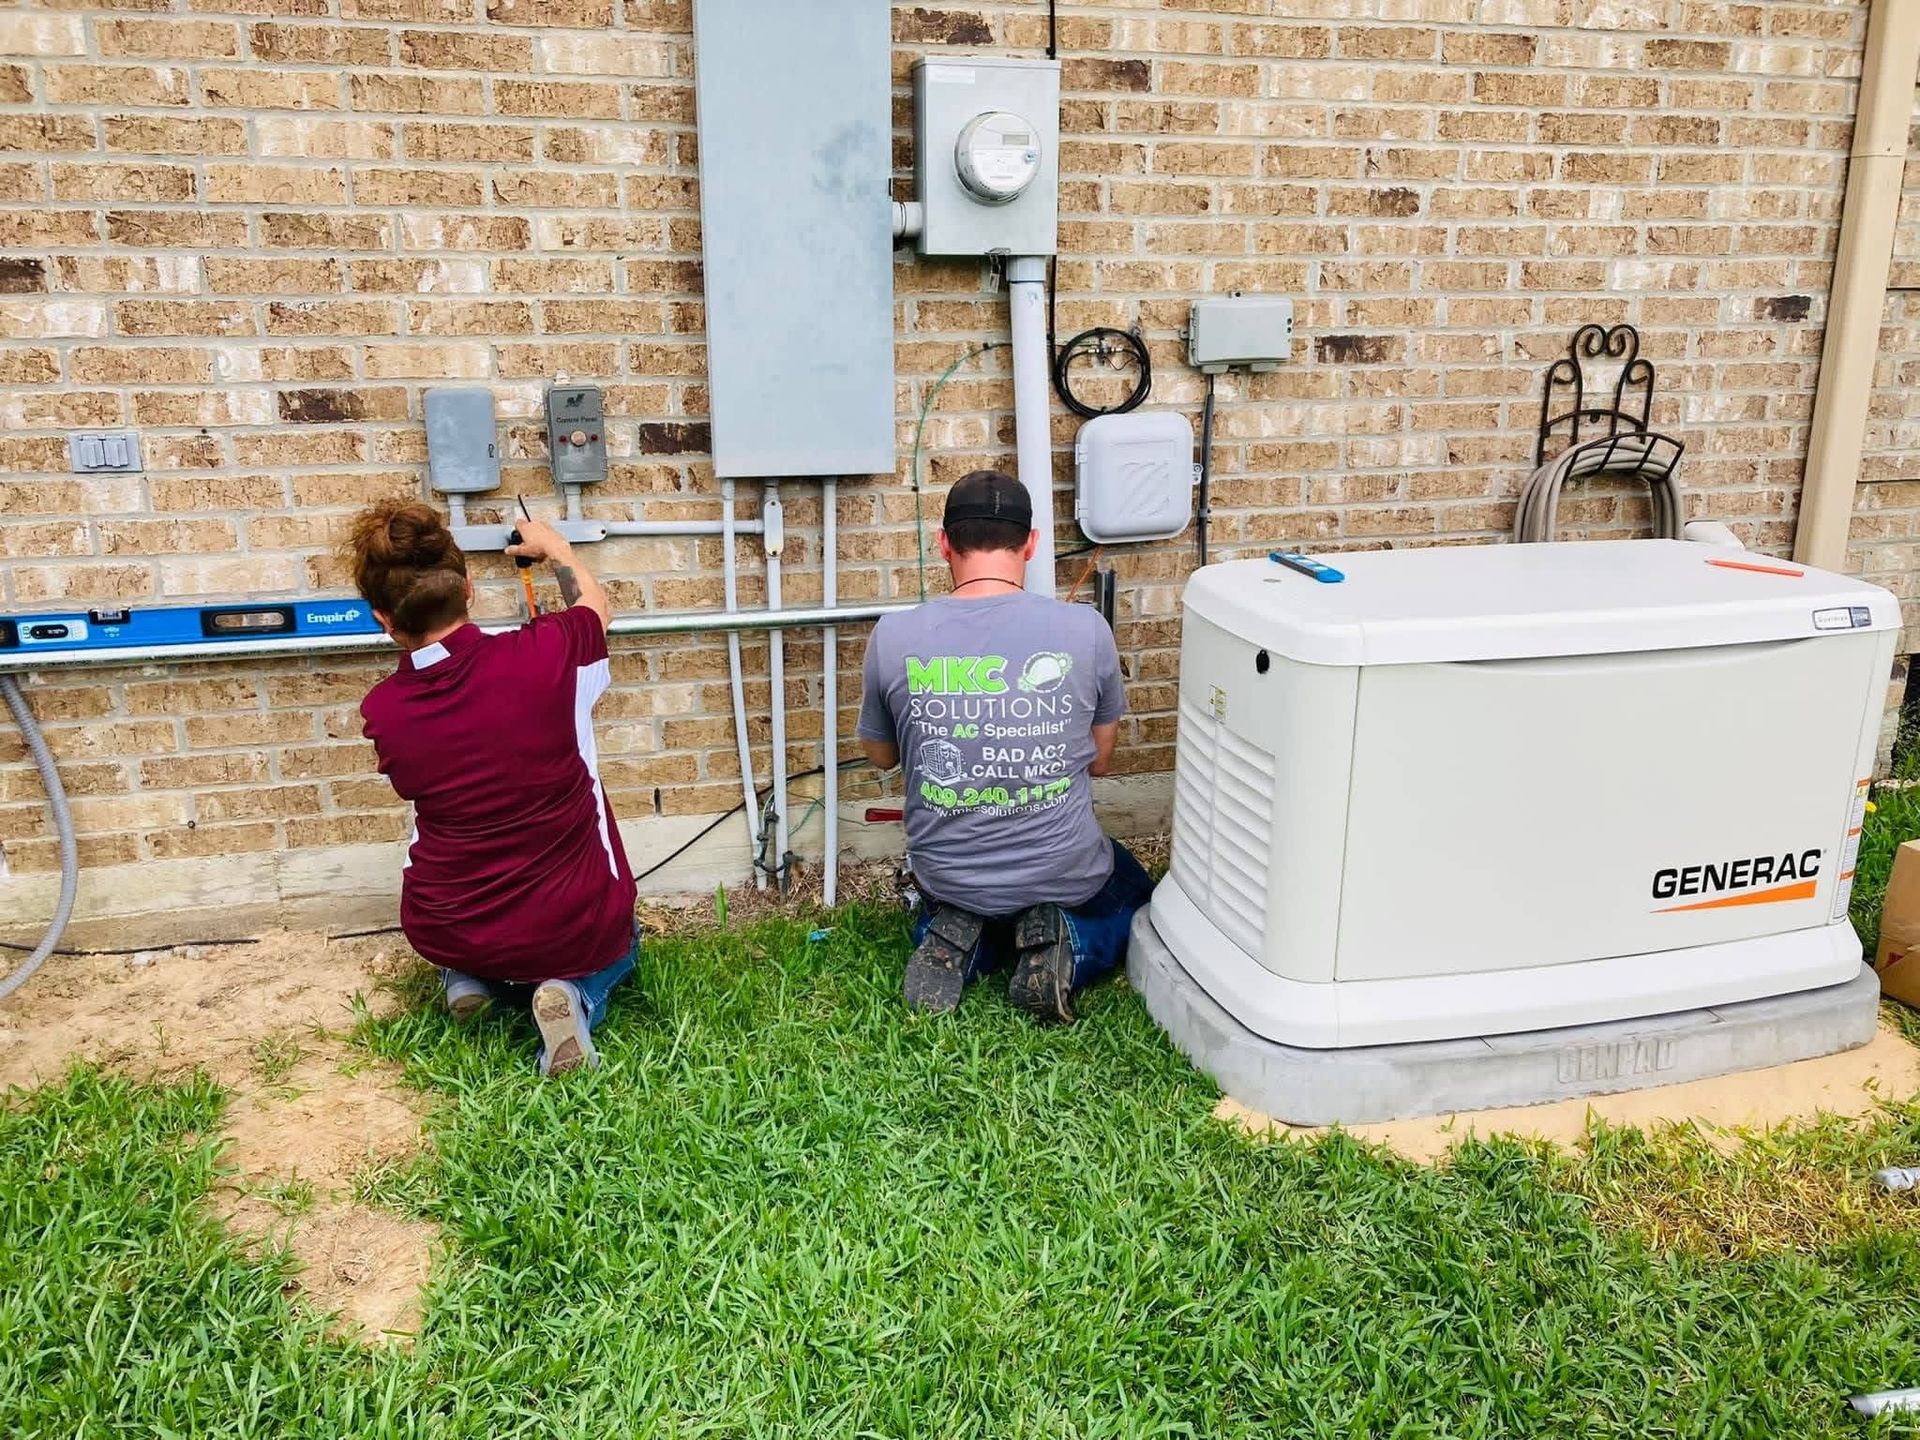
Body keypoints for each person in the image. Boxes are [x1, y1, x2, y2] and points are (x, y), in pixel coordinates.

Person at [350, 499, 638, 1076]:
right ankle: (572, 997)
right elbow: (594, 608)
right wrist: (556, 549)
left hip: (448, 921)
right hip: (570, 920)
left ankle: (466, 977)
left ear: (382, 618)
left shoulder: (383, 710)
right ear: (470, 589)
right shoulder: (547, 653)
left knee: (470, 920)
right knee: (623, 937)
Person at [858, 469, 1154, 1024]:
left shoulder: (893, 636)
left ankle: (955, 935)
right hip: (1065, 870)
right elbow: (1104, 760)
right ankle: (1063, 942)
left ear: (944, 543)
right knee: (1131, 886)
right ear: (1033, 544)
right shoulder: (1087, 630)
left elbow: (881, 756)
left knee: (962, 901)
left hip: (948, 873)